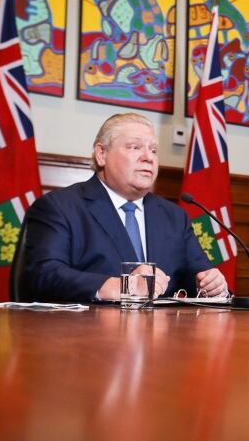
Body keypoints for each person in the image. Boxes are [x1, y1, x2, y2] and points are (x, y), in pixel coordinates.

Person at [21, 113, 226, 302]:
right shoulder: (60, 207)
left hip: (164, 336)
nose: (149, 157)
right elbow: (43, 275)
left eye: (153, 150)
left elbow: (199, 277)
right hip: (88, 336)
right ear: (101, 154)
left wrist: (211, 285)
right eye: (135, 147)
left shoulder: (174, 217)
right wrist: (118, 286)